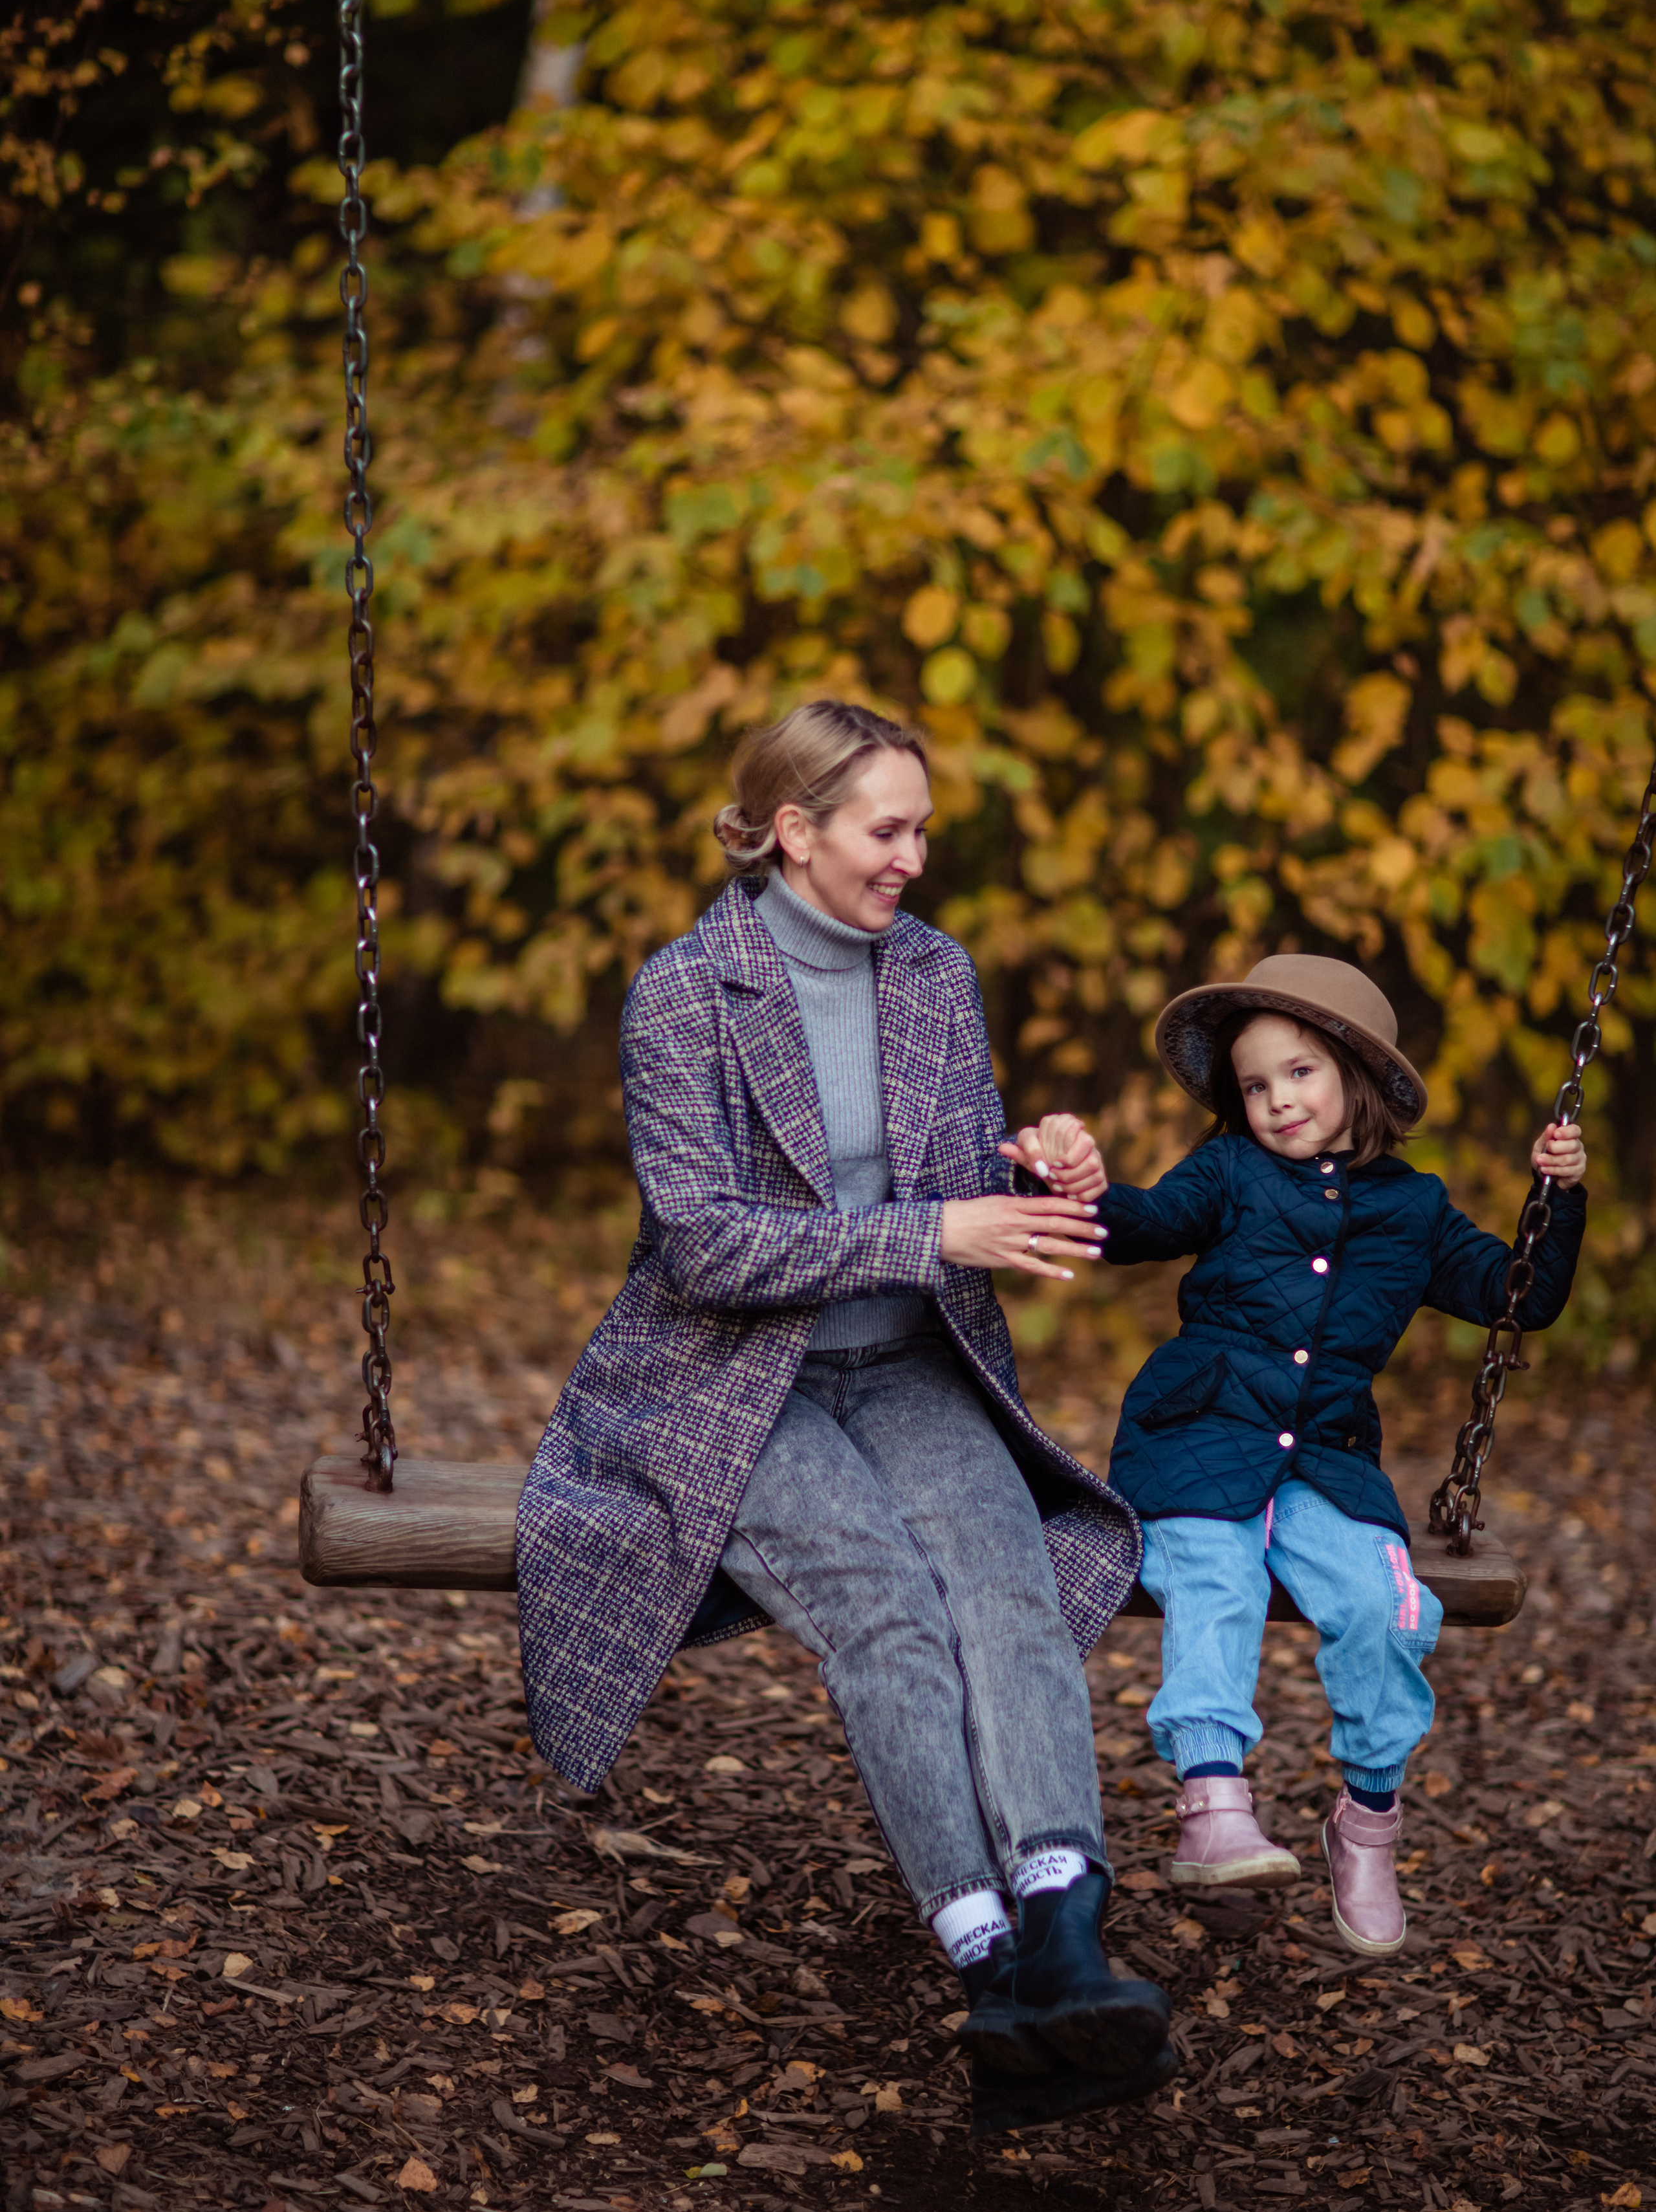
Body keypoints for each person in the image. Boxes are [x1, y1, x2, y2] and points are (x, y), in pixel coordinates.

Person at [516, 699, 1173, 2132]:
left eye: (922, 829)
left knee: (1001, 1582)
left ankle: (1064, 1925)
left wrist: (1048, 1161)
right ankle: (984, 1959)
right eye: (888, 830)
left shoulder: (935, 976)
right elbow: (707, 1249)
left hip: (911, 1368)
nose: (913, 861)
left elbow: (969, 1188)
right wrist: (936, 1230)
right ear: (796, 830)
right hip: (731, 1383)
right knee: (882, 1603)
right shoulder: (682, 995)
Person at [1068, 952, 1585, 1956]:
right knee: (1214, 1578)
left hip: (1329, 1462)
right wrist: (1078, 1189)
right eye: (1255, 1085)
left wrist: (1555, 1199)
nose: (1276, 1100)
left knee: (1383, 1606)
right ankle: (1213, 1802)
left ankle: (1368, 1818)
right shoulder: (1227, 1172)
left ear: (1356, 1073)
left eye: (1299, 1072)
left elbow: (1517, 1297)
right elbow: (1143, 1225)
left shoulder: (1415, 1211)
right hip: (1198, 1438)